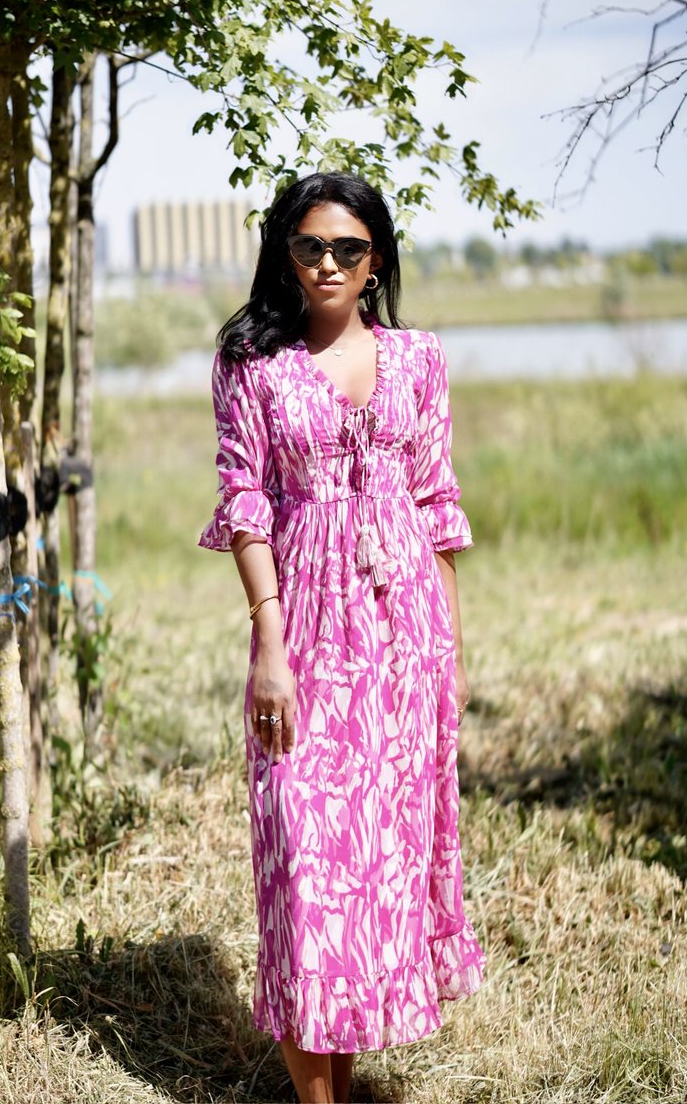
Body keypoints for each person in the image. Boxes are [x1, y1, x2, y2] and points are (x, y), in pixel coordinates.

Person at [199, 172, 485, 1104]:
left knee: (373, 878)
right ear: (285, 253)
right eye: (310, 245)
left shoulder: (419, 359)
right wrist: (268, 647)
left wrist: (450, 653)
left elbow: (437, 506)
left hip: (405, 643)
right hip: (305, 639)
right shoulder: (251, 362)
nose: (327, 262)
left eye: (348, 248)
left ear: (376, 260)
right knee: (303, 869)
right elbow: (244, 503)